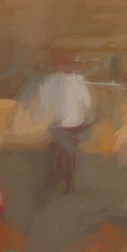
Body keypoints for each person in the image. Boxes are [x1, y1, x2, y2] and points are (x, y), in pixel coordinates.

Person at [26, 59, 97, 199]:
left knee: (72, 149)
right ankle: (66, 184)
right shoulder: (50, 83)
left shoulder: (78, 81)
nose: (69, 67)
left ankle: (66, 183)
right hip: (59, 128)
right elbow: (43, 109)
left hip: (79, 127)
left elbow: (87, 106)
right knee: (69, 150)